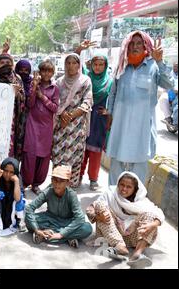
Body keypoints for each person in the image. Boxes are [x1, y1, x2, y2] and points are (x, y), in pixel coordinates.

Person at [106, 32, 174, 186]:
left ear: (145, 46)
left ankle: (135, 203)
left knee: (139, 167)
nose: (135, 46)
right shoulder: (122, 66)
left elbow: (169, 85)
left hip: (142, 127)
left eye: (139, 43)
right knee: (116, 163)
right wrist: (110, 114)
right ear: (127, 45)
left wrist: (160, 62)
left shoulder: (154, 66)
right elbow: (113, 93)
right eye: (132, 43)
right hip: (120, 126)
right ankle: (113, 200)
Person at [86, 171, 165, 268]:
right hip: (110, 234)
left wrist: (151, 225)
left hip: (131, 237)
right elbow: (90, 209)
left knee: (150, 215)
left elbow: (159, 214)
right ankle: (119, 246)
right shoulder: (110, 194)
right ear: (118, 184)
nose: (124, 189)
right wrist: (99, 217)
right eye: (122, 185)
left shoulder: (141, 200)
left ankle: (137, 255)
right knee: (100, 205)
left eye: (129, 187)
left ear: (135, 189)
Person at [51, 53, 93, 188]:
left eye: (74, 63)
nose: (71, 66)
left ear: (79, 65)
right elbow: (55, 101)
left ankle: (70, 187)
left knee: (73, 155)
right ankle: (56, 185)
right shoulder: (59, 82)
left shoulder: (85, 81)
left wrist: (71, 116)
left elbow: (87, 102)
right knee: (58, 154)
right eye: (68, 63)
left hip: (76, 125)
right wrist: (62, 114)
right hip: (61, 124)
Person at [25, 165, 93, 248]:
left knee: (87, 228)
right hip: (49, 219)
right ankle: (68, 237)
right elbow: (29, 208)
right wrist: (37, 230)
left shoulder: (71, 195)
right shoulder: (48, 191)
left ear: (67, 183)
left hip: (67, 222)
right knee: (28, 220)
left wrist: (61, 234)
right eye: (55, 180)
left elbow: (79, 218)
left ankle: (48, 236)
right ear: (51, 180)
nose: (57, 184)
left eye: (61, 181)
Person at [21, 60, 59, 194]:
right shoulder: (34, 84)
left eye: (49, 71)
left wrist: (42, 97)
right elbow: (30, 104)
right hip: (32, 123)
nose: (46, 73)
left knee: (43, 156)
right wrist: (34, 88)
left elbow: (54, 108)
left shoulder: (54, 88)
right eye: (44, 70)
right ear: (40, 72)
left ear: (53, 73)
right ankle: (25, 182)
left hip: (46, 127)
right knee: (30, 153)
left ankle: (36, 184)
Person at [79, 53, 113, 191]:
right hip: (85, 116)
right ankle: (78, 175)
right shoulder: (86, 78)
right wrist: (80, 49)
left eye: (101, 65)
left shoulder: (110, 81)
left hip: (99, 120)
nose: (98, 67)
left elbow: (114, 97)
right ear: (91, 65)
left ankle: (93, 179)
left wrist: (109, 111)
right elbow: (77, 64)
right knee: (82, 149)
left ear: (105, 66)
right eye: (95, 64)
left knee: (95, 151)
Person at [0, 54, 26, 161]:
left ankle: (8, 174)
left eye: (8, 63)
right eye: (2, 63)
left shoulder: (17, 79)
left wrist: (17, 94)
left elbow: (23, 100)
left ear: (12, 65)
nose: (5, 65)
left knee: (9, 147)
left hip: (11, 121)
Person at [0, 158, 26, 235]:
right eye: (6, 171)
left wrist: (16, 182)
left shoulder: (18, 179)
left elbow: (17, 199)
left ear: (15, 172)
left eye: (11, 172)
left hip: (12, 208)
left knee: (20, 200)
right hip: (1, 206)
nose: (7, 174)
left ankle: (18, 221)